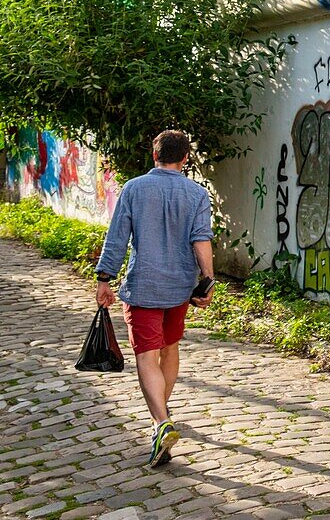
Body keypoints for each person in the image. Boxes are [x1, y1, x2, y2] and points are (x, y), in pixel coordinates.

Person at [94, 130, 216, 467]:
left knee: (147, 357)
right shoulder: (196, 193)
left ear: (154, 155)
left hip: (144, 286)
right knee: (170, 349)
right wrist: (208, 279)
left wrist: (105, 278)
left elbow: (117, 238)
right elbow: (201, 239)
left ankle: (161, 423)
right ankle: (160, 420)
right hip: (179, 288)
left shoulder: (134, 189)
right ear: (185, 159)